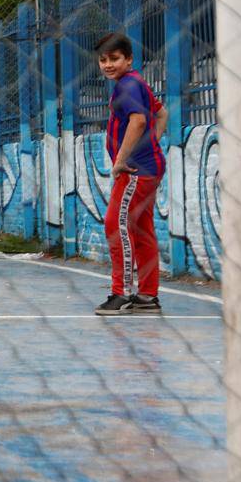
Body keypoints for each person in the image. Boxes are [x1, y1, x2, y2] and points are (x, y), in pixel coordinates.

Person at [93, 32, 167, 315]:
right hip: (147, 166)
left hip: (135, 171)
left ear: (129, 59)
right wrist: (153, 143)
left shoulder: (128, 85)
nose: (108, 64)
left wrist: (121, 160)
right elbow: (162, 114)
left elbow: (138, 121)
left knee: (116, 224)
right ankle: (147, 296)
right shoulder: (135, 83)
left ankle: (120, 293)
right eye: (103, 60)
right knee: (141, 229)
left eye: (114, 58)